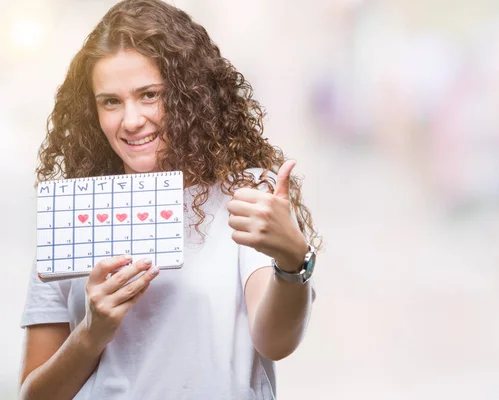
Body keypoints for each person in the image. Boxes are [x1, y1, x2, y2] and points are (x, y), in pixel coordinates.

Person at [19, 1, 321, 399]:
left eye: (149, 95)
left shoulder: (243, 194)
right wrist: (91, 334)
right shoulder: (73, 214)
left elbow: (274, 342)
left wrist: (292, 262)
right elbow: (33, 395)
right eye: (111, 101)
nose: (130, 120)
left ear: (188, 96)